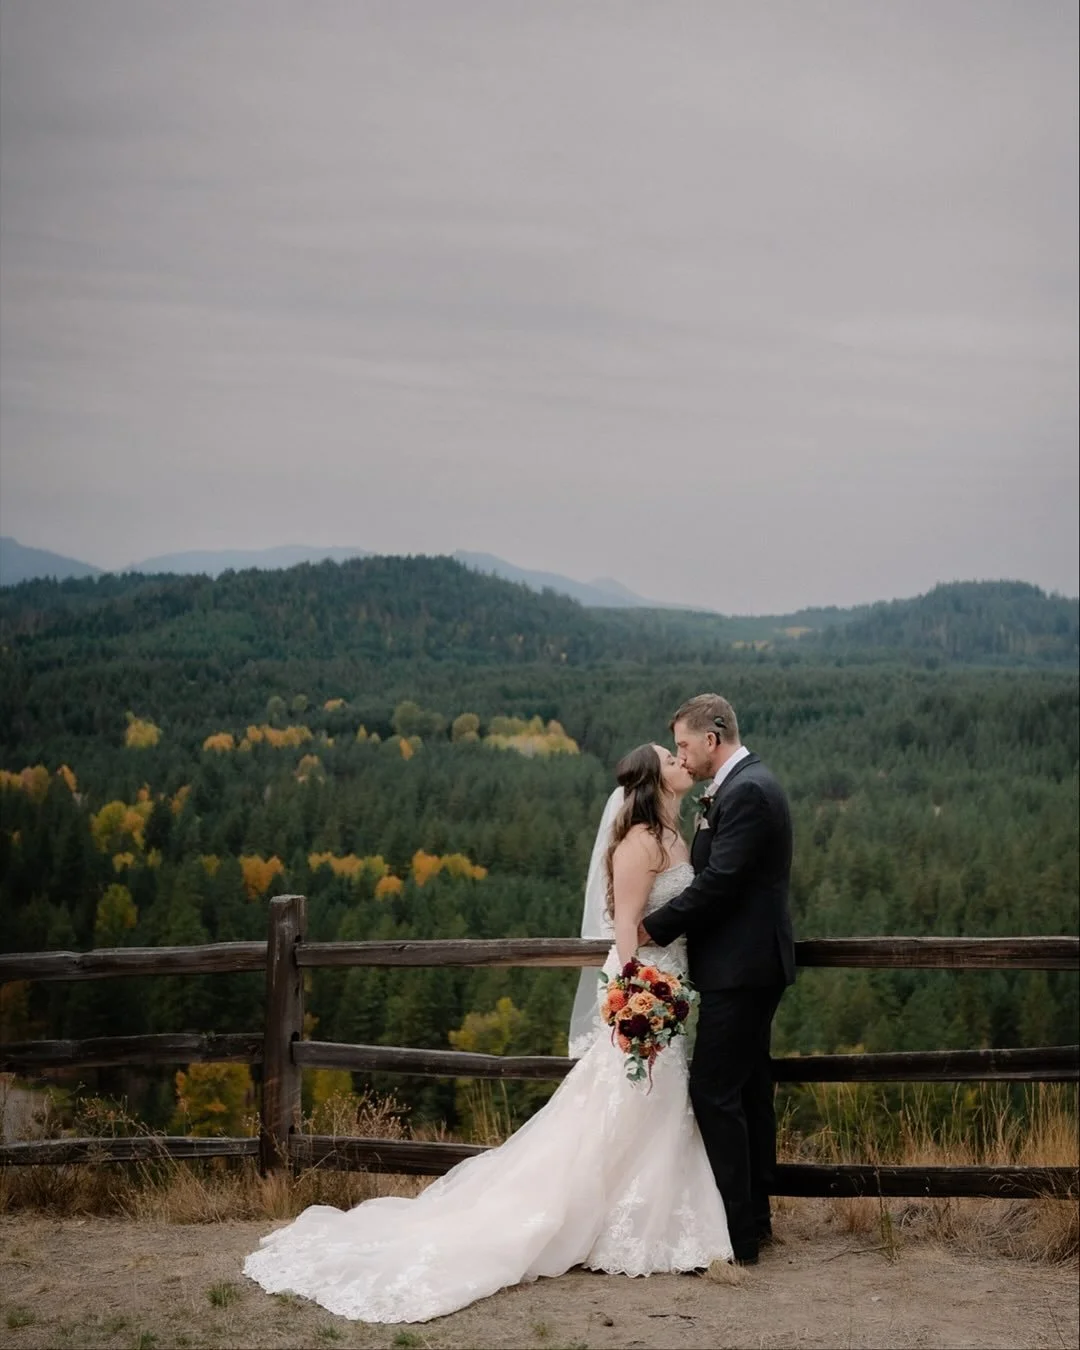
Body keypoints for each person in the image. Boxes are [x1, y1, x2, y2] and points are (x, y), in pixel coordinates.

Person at [243, 742, 732, 1323]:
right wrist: (633, 991)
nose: (682, 762)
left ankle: (657, 1222)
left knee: (659, 1101)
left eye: (681, 754)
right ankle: (602, 1223)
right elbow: (625, 924)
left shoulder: (675, 835)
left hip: (672, 986)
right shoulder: (638, 842)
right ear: (654, 780)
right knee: (628, 1098)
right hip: (644, 987)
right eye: (669, 758)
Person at [640, 693, 795, 1267]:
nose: (682, 756)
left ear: (713, 738)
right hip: (742, 966)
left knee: (713, 1089)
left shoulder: (749, 790)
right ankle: (754, 1221)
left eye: (684, 744)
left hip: (744, 969)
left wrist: (652, 926)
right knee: (748, 1089)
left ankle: (737, 1232)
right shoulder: (739, 785)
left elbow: (720, 883)